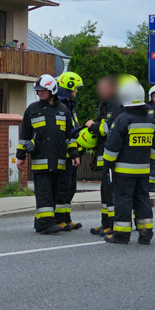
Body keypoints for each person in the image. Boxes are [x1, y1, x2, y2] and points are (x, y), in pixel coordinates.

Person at [17, 74, 79, 234]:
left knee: (55, 192)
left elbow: (69, 136)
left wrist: (74, 154)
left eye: (42, 90)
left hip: (59, 161)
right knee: (43, 193)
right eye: (38, 91)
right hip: (41, 160)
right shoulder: (32, 109)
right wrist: (20, 156)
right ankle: (45, 224)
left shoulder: (63, 110)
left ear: (52, 90)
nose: (39, 93)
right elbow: (24, 135)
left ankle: (42, 222)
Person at [102, 79, 155, 245]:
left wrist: (107, 165)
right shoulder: (150, 120)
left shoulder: (122, 119)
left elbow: (112, 147)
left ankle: (121, 235)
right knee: (142, 200)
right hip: (143, 171)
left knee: (123, 201)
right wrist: (148, 161)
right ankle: (145, 233)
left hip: (124, 171)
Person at [86, 74, 122, 237]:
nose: (100, 90)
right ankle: (105, 223)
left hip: (112, 158)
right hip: (104, 156)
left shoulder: (115, 104)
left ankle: (112, 225)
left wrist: (92, 126)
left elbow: (109, 129)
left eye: (103, 87)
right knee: (105, 192)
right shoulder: (106, 103)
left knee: (110, 192)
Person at [56, 71, 84, 230]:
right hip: (64, 154)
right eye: (76, 88)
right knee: (63, 187)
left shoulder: (70, 106)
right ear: (69, 87)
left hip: (72, 153)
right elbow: (66, 132)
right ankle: (59, 219)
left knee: (71, 186)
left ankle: (66, 218)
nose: (77, 91)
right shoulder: (61, 107)